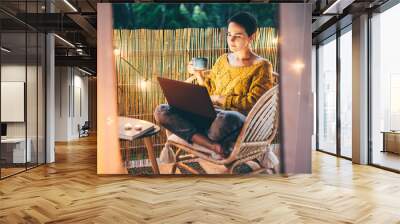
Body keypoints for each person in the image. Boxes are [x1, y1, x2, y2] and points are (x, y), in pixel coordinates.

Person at [154, 12, 276, 158]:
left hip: (235, 120)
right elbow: (209, 91)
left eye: (238, 35)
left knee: (225, 117)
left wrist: (219, 99)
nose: (231, 39)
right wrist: (199, 76)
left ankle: (196, 135)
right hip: (210, 114)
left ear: (251, 37)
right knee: (161, 110)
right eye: (229, 34)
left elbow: (254, 103)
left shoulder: (262, 66)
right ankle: (211, 144)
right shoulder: (222, 60)